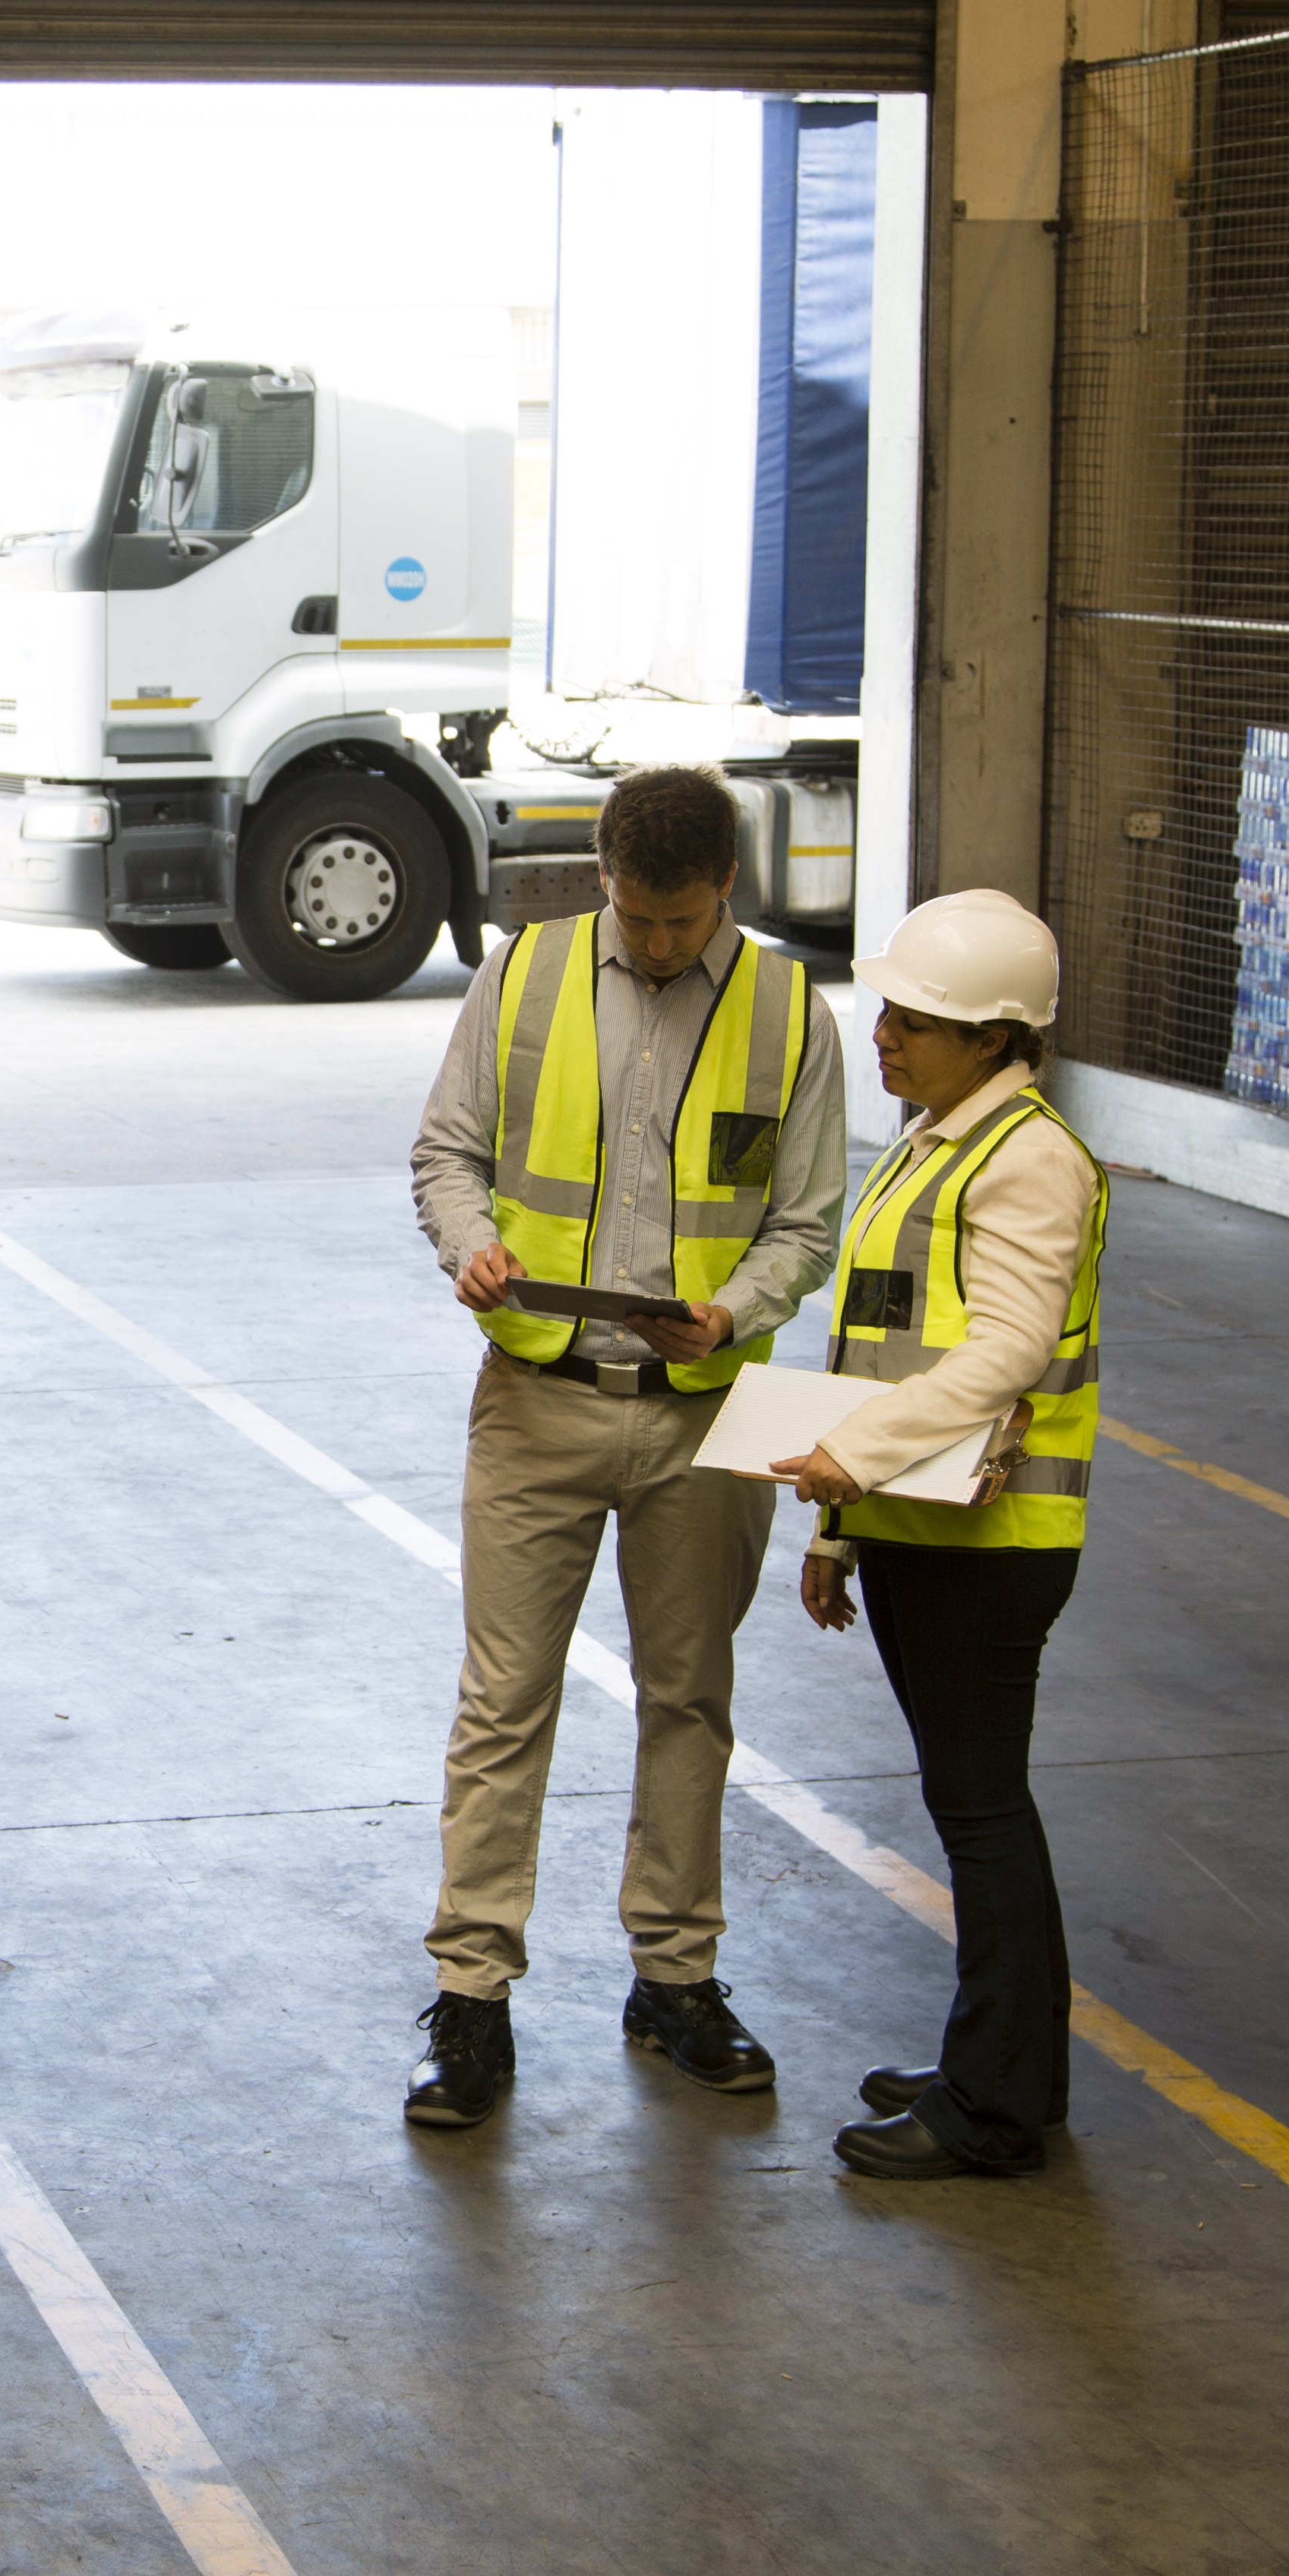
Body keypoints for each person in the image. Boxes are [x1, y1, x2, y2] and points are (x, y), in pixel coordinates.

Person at [403, 766, 846, 2129]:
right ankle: (472, 2000)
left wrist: (741, 1312)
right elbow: (446, 1153)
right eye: (639, 919)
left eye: (686, 924)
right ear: (602, 873)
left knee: (690, 1700)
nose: (659, 949)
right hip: (537, 1401)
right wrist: (472, 1247)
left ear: (730, 890)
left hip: (704, 1415)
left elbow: (810, 1219)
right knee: (503, 1704)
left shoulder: (788, 1011)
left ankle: (675, 1976)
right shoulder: (523, 978)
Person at [763, 888, 1105, 2182]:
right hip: (920, 1526)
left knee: (982, 1813)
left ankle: (996, 2105)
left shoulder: (1026, 1158)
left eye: (915, 1020)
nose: (885, 1035)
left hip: (991, 1544)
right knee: (974, 1808)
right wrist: (843, 1527)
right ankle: (1005, 2062)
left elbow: (1010, 1351)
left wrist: (859, 1459)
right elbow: (881, 1345)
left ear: (993, 1037)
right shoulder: (935, 1141)